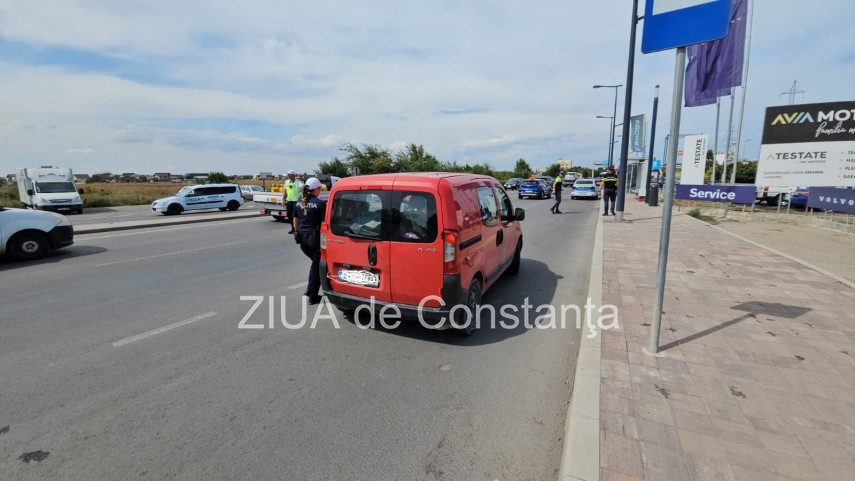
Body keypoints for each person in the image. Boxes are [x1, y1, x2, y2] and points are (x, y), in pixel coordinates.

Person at [294, 177, 326, 305]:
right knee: (317, 266)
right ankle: (313, 296)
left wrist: (296, 232)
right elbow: (324, 224)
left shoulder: (298, 203)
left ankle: (309, 289)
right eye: (320, 189)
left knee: (315, 264)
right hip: (314, 239)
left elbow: (295, 220)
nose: (320, 191)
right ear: (316, 189)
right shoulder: (319, 204)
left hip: (302, 239)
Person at [284, 169, 302, 234]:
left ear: (293, 175)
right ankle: (293, 227)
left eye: (290, 174)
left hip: (296, 201)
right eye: (288, 174)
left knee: (296, 216)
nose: (288, 175)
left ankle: (297, 228)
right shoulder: (287, 182)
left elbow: (302, 189)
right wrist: (283, 199)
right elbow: (285, 191)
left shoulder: (298, 182)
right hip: (289, 201)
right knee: (289, 215)